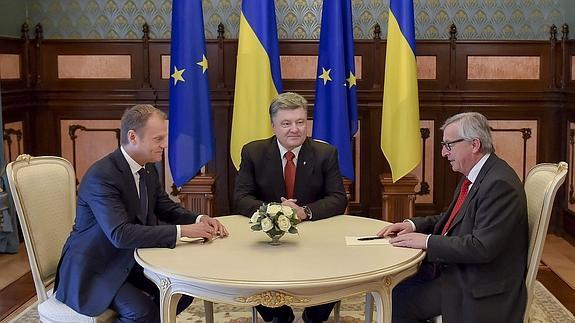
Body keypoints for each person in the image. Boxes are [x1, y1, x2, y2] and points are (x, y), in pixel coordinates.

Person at [54, 104, 228, 323]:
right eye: (158, 139)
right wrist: (184, 231)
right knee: (142, 311)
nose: (165, 145)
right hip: (95, 268)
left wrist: (199, 219)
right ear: (133, 137)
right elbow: (120, 234)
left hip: (129, 258)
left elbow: (165, 207)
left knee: (182, 292)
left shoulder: (146, 168)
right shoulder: (102, 176)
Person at [378, 112, 528, 323]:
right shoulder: (476, 175)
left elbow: (481, 247)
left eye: (448, 145)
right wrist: (412, 225)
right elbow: (450, 218)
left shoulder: (499, 185)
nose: (442, 152)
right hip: (459, 271)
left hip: (480, 288)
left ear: (474, 144)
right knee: (394, 285)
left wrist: (428, 241)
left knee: (396, 302)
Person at [234, 92, 347, 323]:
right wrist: (277, 210)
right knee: (250, 272)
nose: (294, 129)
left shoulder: (326, 154)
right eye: (286, 123)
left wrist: (304, 211)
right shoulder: (253, 152)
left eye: (300, 122)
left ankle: (314, 315)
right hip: (268, 238)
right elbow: (241, 198)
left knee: (335, 270)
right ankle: (278, 315)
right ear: (273, 125)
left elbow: (338, 198)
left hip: (316, 238)